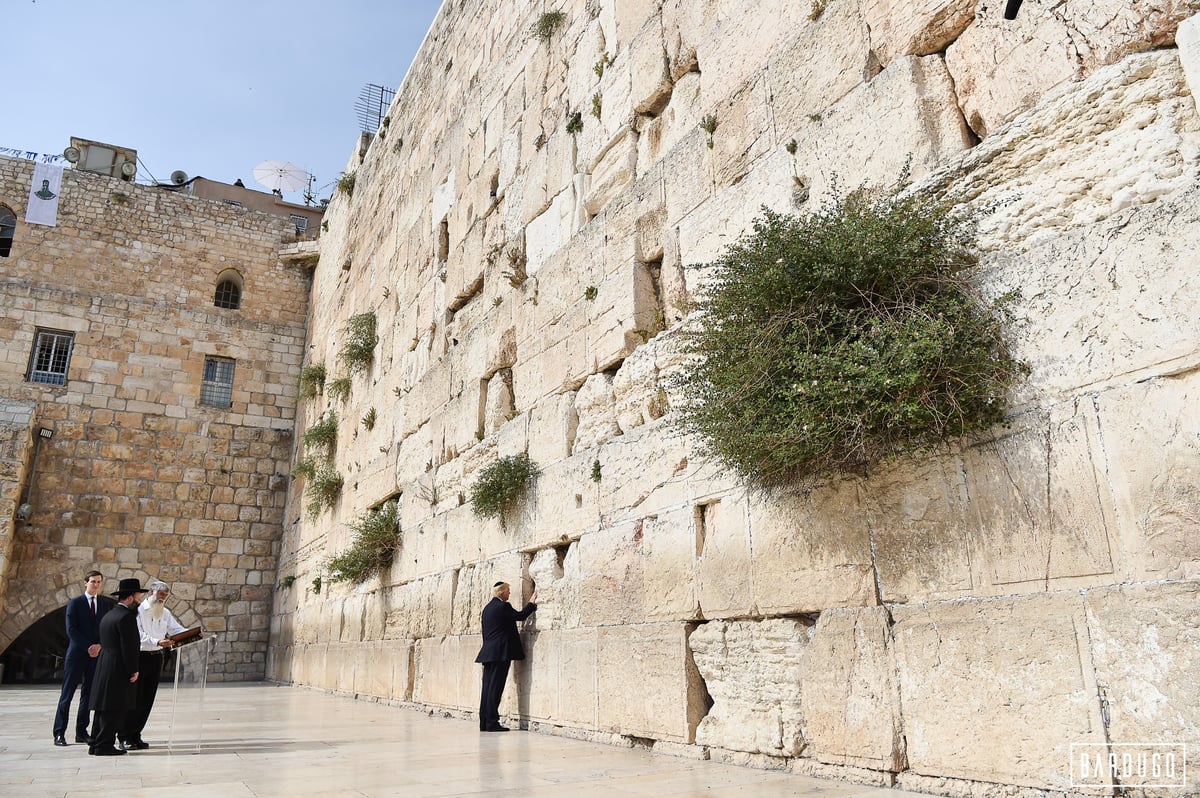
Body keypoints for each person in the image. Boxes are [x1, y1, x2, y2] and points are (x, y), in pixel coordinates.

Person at [123, 580, 192, 749]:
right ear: (152, 592)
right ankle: (125, 735)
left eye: (166, 596)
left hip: (156, 657)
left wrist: (193, 633)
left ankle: (136, 734)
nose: (163, 599)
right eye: (161, 595)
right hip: (141, 657)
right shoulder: (138, 610)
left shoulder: (165, 613)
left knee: (147, 699)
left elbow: (176, 629)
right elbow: (137, 635)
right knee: (135, 698)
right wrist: (157, 641)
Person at [52, 570, 112, 746]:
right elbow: (71, 630)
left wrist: (100, 645)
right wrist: (88, 647)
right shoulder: (75, 603)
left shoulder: (103, 604)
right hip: (77, 655)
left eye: (99, 582)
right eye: (93, 581)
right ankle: (59, 732)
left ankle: (81, 731)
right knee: (67, 694)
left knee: (88, 695)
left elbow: (105, 628)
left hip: (95, 657)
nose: (96, 585)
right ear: (85, 583)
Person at [88, 577, 145, 756]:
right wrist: (133, 669)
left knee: (103, 708)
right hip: (118, 668)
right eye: (138, 598)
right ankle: (104, 745)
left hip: (105, 665)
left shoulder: (110, 614)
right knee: (114, 708)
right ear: (129, 598)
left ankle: (95, 744)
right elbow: (129, 647)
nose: (140, 601)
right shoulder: (126, 617)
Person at [474, 581, 537, 732]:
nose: (510, 593)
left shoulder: (488, 608)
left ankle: (485, 722)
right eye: (508, 591)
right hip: (500, 654)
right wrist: (531, 604)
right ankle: (492, 723)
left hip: (489, 654)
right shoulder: (503, 606)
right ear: (501, 592)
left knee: (488, 689)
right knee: (495, 689)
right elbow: (520, 616)